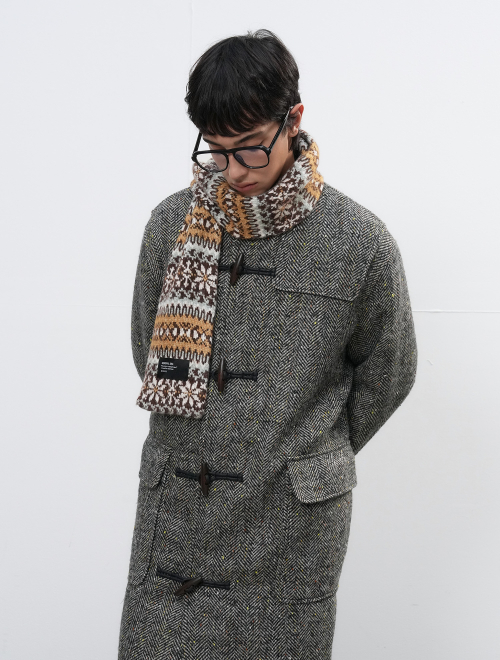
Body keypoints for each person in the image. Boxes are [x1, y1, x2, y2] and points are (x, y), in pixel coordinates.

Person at [118, 29, 417, 660]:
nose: (233, 170)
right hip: (179, 515)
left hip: (290, 523)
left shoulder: (358, 242)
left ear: (293, 120)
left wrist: (306, 449)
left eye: (251, 148)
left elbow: (391, 372)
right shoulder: (171, 226)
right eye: (216, 151)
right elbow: (147, 347)